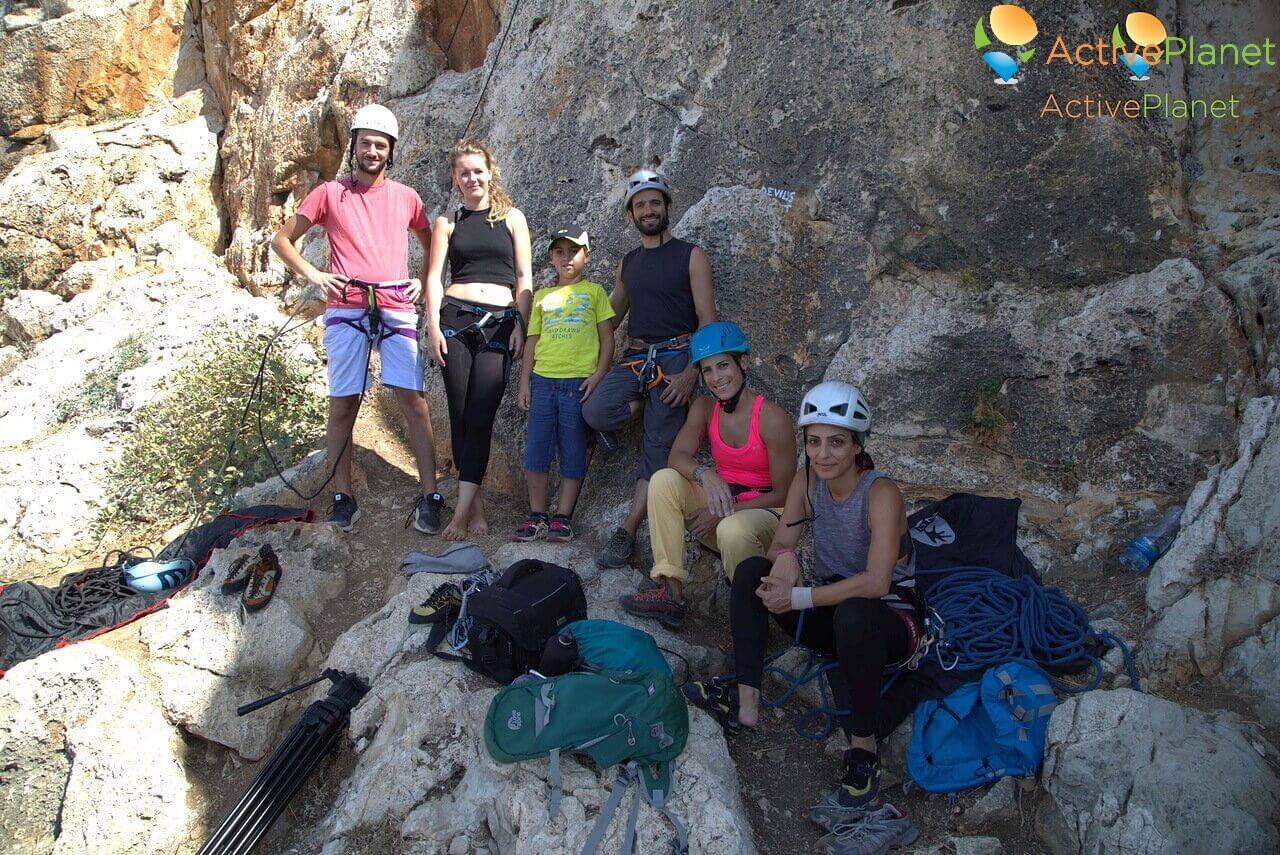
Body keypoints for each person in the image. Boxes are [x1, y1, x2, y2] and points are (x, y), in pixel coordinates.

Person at [684, 381, 922, 822]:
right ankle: (747, 700)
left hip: (888, 619)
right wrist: (785, 561)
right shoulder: (807, 480)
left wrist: (799, 595)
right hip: (835, 611)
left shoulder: (880, 492)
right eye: (814, 442)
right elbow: (782, 542)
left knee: (854, 613)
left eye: (836, 442)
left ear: (856, 446)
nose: (823, 453)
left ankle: (863, 750)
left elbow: (875, 582)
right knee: (753, 571)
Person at [269, 104, 443, 534]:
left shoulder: (406, 197)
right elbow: (281, 240)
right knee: (344, 402)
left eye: (380, 145)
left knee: (413, 400)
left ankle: (429, 494)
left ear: (390, 151)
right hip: (346, 306)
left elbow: (431, 239)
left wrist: (423, 279)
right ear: (354, 146)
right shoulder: (329, 193)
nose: (372, 151)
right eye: (365, 142)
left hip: (394, 303)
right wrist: (313, 274)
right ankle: (343, 496)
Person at [618, 321, 795, 630]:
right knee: (663, 481)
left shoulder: (772, 418)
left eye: (724, 365)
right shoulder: (704, 407)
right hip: (721, 504)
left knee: (733, 530)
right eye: (708, 370)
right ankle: (670, 591)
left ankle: (752, 623)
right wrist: (706, 473)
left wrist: (725, 512)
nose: (716, 378)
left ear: (743, 364)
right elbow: (677, 457)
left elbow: (785, 494)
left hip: (762, 516)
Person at [581, 169, 716, 569]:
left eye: (655, 202)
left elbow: (708, 319)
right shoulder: (629, 263)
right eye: (640, 205)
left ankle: (627, 528)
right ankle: (636, 407)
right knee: (593, 409)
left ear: (668, 207)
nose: (649, 210)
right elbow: (611, 315)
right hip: (637, 358)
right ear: (631, 214)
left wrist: (694, 371)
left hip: (677, 358)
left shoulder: (691, 255)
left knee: (657, 453)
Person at [424, 138, 533, 540]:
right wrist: (433, 326)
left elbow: (524, 277)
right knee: (459, 414)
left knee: (482, 413)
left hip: (499, 323)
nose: (472, 178)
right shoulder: (446, 223)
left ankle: (460, 514)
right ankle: (475, 510)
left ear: (491, 173)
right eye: (464, 172)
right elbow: (434, 278)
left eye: (478, 170)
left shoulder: (513, 218)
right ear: (455, 178)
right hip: (454, 320)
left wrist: (522, 323)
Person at [513, 227, 616, 542]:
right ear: (551, 258)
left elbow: (607, 338)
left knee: (572, 447)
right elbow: (532, 342)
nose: (567, 257)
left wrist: (597, 375)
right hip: (544, 382)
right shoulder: (543, 297)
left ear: (586, 255)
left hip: (578, 383)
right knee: (536, 448)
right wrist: (524, 384)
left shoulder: (595, 292)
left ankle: (563, 516)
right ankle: (537, 514)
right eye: (560, 251)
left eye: (574, 250)